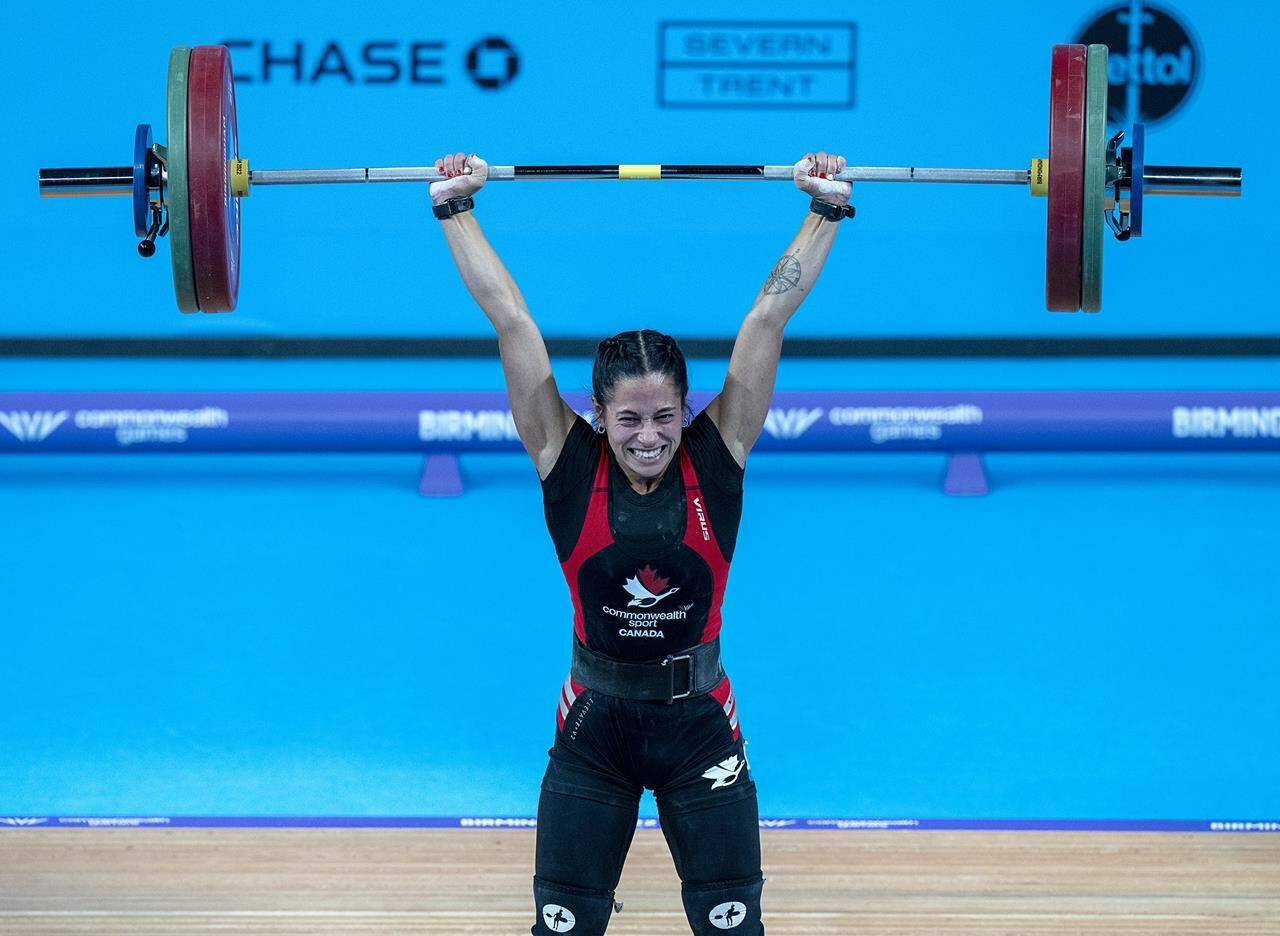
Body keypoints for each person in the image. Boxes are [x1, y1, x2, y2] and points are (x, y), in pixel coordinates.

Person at [430, 151, 852, 935]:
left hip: (701, 729)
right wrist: (456, 208)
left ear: (687, 408)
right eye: (628, 419)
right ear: (595, 414)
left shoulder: (718, 452)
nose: (650, 437)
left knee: (733, 930)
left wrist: (824, 210)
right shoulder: (564, 456)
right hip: (596, 730)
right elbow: (512, 320)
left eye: (664, 417)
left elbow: (766, 318)